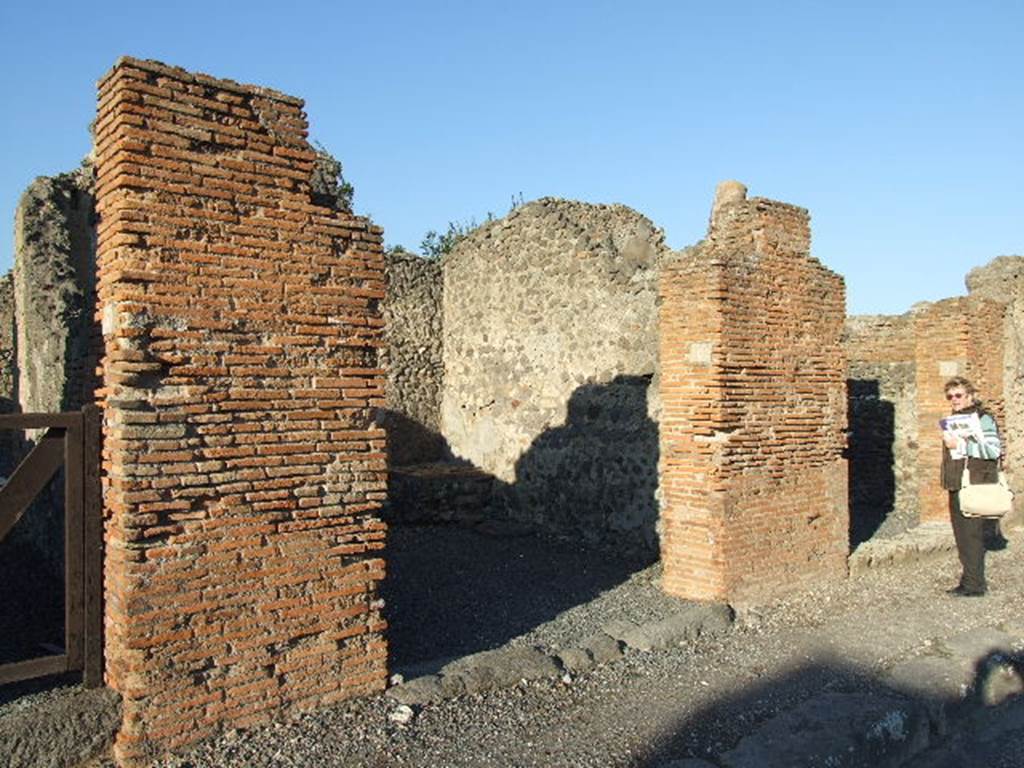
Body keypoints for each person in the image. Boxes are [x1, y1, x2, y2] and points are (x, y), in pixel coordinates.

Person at [940, 376, 1002, 597]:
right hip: (957, 483)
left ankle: (975, 585)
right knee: (961, 534)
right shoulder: (954, 418)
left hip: (975, 482)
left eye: (958, 395)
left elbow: (994, 450)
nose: (954, 400)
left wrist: (961, 445)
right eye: (950, 396)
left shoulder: (984, 419)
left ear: (970, 395)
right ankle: (968, 580)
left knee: (971, 534)